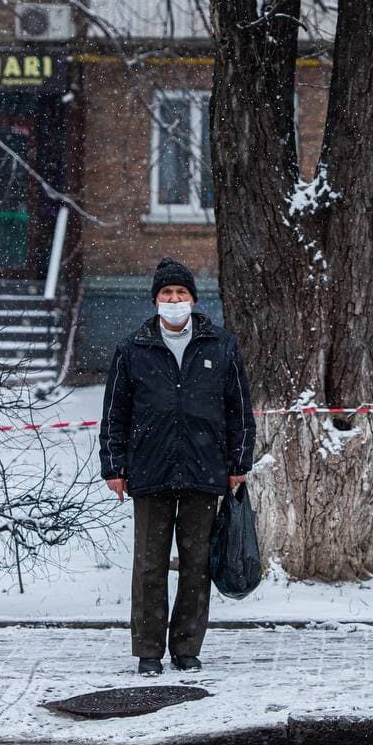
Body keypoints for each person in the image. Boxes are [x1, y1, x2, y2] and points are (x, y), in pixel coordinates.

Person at [99, 256, 256, 677]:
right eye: (167, 293)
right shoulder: (132, 349)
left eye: (181, 292)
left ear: (192, 299)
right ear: (155, 300)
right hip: (149, 472)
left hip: (204, 472)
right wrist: (114, 466)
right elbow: (115, 413)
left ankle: (187, 648)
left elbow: (239, 410)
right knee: (149, 566)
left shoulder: (220, 346)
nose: (174, 300)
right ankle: (148, 651)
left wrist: (239, 462)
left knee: (196, 564)